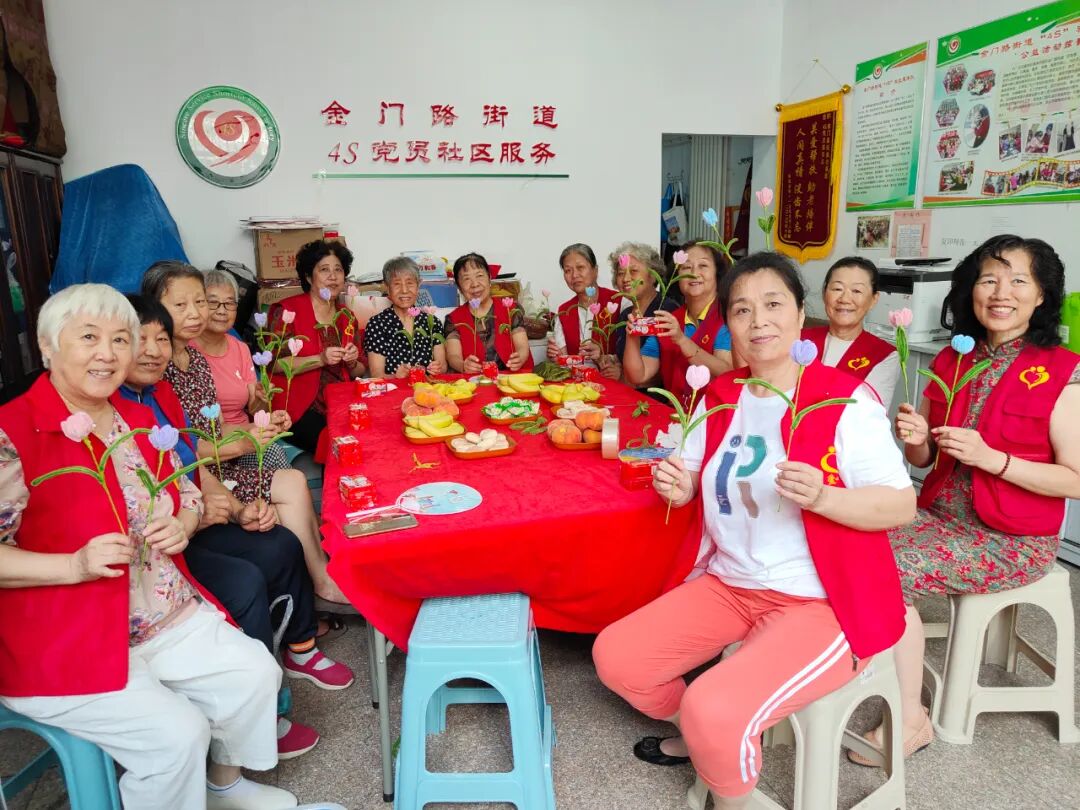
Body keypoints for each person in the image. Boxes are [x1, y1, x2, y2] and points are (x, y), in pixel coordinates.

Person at [593, 252, 915, 809]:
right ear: (729, 323)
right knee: (618, 658)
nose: (758, 321)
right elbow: (692, 475)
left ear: (800, 315)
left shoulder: (843, 399)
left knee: (713, 707)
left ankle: (721, 755)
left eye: (773, 304)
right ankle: (708, 738)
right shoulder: (721, 396)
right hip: (731, 583)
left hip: (822, 599)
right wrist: (678, 487)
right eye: (742, 310)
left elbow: (901, 506)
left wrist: (825, 497)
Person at [0, 284, 295, 810]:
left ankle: (223, 785)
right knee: (176, 737)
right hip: (66, 632)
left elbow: (188, 492)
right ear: (47, 345)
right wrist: (73, 565)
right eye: (88, 337)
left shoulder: (136, 419)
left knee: (255, 673)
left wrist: (184, 521)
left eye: (121, 339)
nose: (108, 353)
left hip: (159, 612)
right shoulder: (13, 432)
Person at [853, 235, 1080, 767]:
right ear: (970, 290)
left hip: (1013, 539)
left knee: (887, 567)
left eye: (1018, 281)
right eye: (988, 280)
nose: (1001, 293)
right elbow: (927, 459)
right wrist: (915, 439)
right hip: (937, 514)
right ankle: (851, 674)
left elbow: (1075, 479)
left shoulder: (1063, 371)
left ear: (1041, 295)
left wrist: (993, 459)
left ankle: (910, 718)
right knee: (844, 539)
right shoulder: (954, 359)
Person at [121, 294, 355, 758]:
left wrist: (230, 506)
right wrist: (208, 504)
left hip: (198, 506)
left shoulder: (165, 388)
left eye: (159, 339)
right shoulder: (127, 401)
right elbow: (193, 459)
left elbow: (189, 461)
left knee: (280, 542)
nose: (153, 349)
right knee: (247, 575)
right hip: (164, 543)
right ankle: (262, 713)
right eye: (139, 339)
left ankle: (301, 647)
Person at [141, 261, 348, 605]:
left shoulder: (197, 359)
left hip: (221, 458)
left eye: (200, 302)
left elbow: (213, 425)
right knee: (287, 485)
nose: (196, 313)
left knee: (292, 478)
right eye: (181, 304)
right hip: (198, 475)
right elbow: (184, 450)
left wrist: (256, 424)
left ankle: (321, 572)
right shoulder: (156, 370)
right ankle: (319, 581)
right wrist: (246, 441)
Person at [268, 239, 366, 454]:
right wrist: (320, 359)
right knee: (337, 442)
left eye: (338, 270)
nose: (333, 276)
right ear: (308, 276)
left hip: (339, 399)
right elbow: (274, 365)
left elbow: (359, 370)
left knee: (367, 432)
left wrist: (352, 361)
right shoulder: (287, 312)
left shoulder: (347, 316)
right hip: (298, 405)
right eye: (324, 270)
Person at [622, 241, 733, 405]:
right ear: (677, 277)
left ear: (717, 273)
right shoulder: (671, 320)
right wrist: (632, 336)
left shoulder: (728, 317)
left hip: (715, 414)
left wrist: (681, 340)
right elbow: (638, 376)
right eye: (686, 267)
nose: (694, 273)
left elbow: (726, 372)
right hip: (676, 414)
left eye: (703, 265)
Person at [194, 268, 291, 432]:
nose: (222, 310)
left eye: (229, 303)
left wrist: (262, 398)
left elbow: (255, 409)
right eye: (213, 302)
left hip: (246, 431)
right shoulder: (184, 351)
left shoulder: (240, 348)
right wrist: (254, 430)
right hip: (212, 438)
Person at [802, 257, 899, 406]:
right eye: (837, 289)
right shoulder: (800, 339)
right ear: (824, 293)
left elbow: (869, 412)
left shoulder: (884, 355)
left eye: (856, 291)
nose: (845, 299)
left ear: (874, 299)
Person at [443, 252, 532, 373]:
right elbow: (453, 356)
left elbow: (522, 345)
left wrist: (519, 358)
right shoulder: (453, 319)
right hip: (474, 380)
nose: (475, 284)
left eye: (479, 276)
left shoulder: (510, 308)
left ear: (489, 278)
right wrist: (463, 365)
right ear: (459, 287)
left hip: (512, 378)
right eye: (467, 279)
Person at [604, 241, 678, 384]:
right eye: (620, 273)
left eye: (633, 271)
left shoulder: (667, 311)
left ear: (653, 275)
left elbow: (667, 370)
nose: (626, 279)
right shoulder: (625, 315)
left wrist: (623, 376)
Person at [364, 256, 448, 378]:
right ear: (387, 288)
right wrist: (396, 377)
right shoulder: (377, 324)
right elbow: (376, 374)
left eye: (410, 283)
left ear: (418, 286)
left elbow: (443, 366)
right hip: (394, 389)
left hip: (427, 388)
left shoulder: (432, 322)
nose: (404, 290)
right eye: (397, 284)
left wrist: (438, 368)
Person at [546, 243, 618, 365]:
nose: (574, 275)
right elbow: (564, 358)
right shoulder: (564, 311)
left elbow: (635, 353)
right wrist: (556, 356)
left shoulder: (618, 301)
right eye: (568, 270)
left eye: (580, 267)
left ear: (595, 270)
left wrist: (604, 357)